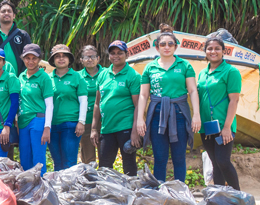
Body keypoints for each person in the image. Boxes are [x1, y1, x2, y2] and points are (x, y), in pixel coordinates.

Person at [136, 25, 202, 183]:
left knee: (179, 158)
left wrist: (196, 116)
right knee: (160, 158)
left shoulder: (184, 66)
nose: (166, 47)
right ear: (157, 47)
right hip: (157, 113)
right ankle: (160, 193)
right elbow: (144, 94)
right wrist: (140, 118)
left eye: (170, 44)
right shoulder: (150, 67)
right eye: (163, 44)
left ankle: (180, 193)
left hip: (179, 112)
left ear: (176, 46)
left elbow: (192, 91)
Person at [91, 41, 141, 176]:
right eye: (112, 53)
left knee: (129, 164)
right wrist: (94, 129)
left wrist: (135, 131)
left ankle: (131, 194)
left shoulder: (133, 76)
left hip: (126, 127)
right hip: (107, 127)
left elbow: (138, 105)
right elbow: (97, 103)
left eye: (120, 53)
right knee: (104, 166)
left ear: (127, 54)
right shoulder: (102, 75)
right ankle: (107, 194)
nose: (116, 56)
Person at [199, 35, 242, 190]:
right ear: (205, 52)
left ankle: (238, 197)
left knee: (223, 161)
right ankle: (220, 199)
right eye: (209, 48)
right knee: (215, 162)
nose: (213, 51)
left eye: (217, 48)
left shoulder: (231, 71)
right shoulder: (202, 74)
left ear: (224, 51)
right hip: (207, 126)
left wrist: (227, 127)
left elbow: (234, 100)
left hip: (224, 125)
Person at [48, 44, 87, 171]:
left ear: (69, 59)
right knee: (57, 162)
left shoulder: (77, 77)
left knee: (69, 162)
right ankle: (58, 189)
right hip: (52, 125)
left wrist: (81, 121)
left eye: (64, 56)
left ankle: (70, 189)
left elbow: (83, 101)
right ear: (53, 60)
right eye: (57, 56)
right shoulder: (48, 78)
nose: (61, 59)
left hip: (71, 124)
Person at [17, 44, 53, 174]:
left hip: (38, 120)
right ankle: (28, 189)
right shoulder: (20, 77)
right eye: (27, 58)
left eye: (34, 58)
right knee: (25, 158)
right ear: (23, 58)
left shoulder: (44, 77)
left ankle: (41, 190)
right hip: (23, 121)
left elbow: (49, 104)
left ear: (39, 60)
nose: (30, 61)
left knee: (38, 159)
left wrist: (47, 127)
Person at [0, 0, 32, 76]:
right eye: (3, 11)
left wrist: (23, 77)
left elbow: (29, 57)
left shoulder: (23, 35)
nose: (6, 13)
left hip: (17, 80)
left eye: (9, 11)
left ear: (14, 15)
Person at [77, 45, 102, 164]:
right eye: (86, 57)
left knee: (105, 156)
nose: (90, 59)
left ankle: (105, 180)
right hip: (85, 121)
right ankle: (89, 181)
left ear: (98, 58)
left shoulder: (107, 73)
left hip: (104, 120)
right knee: (87, 158)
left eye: (93, 57)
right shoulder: (77, 76)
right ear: (81, 60)